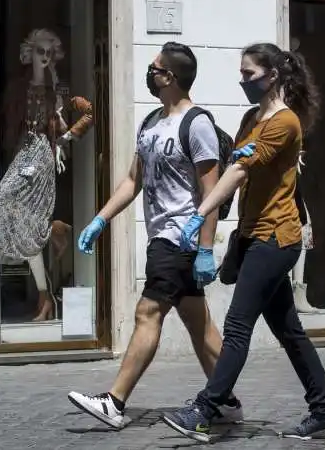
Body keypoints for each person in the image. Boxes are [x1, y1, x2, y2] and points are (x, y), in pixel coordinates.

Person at [161, 43, 325, 442]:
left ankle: (205, 409)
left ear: (272, 76)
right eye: (242, 73)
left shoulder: (285, 122)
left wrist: (200, 213)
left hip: (276, 238)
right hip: (254, 235)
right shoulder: (251, 117)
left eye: (249, 74)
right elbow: (234, 162)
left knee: (237, 324)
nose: (242, 80)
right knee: (289, 331)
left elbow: (240, 170)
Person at [67, 42, 244, 429]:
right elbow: (134, 180)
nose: (150, 73)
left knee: (147, 312)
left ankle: (114, 402)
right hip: (159, 237)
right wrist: (100, 219)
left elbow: (210, 193)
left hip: (179, 238)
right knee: (198, 324)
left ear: (172, 77)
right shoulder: (151, 122)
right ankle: (226, 400)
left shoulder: (196, 124)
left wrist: (204, 250)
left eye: (156, 68)